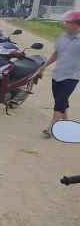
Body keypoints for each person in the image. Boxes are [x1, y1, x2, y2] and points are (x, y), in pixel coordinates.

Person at [39, 10, 80, 138]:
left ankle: (51, 128)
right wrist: (44, 66)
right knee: (61, 100)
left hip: (72, 76)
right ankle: (67, 123)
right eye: (66, 22)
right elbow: (56, 54)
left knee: (60, 101)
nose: (65, 24)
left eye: (68, 22)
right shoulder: (61, 39)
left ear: (76, 25)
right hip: (57, 75)